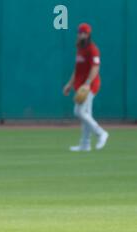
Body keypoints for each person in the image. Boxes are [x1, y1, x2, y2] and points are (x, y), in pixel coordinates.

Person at [63, 23, 109, 152]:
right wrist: (69, 84)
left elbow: (95, 67)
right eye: (80, 32)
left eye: (85, 33)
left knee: (79, 112)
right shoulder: (80, 47)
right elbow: (77, 69)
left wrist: (88, 83)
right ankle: (85, 144)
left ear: (89, 35)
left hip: (90, 85)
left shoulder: (93, 49)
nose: (82, 34)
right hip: (81, 85)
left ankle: (101, 133)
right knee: (86, 114)